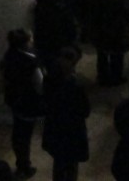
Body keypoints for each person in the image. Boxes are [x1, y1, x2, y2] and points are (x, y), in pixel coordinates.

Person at [41, 46, 90, 181]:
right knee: (71, 165)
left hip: (54, 127)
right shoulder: (76, 86)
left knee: (58, 163)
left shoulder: (48, 80)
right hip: (73, 130)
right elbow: (85, 111)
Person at [2, 28, 44, 179]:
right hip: (28, 104)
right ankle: (24, 166)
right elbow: (40, 86)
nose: (32, 41)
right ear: (25, 43)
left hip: (15, 101)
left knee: (18, 134)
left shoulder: (9, 56)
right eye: (30, 39)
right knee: (24, 136)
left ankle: (22, 164)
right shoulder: (31, 62)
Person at [88, 0, 129, 86]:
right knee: (117, 55)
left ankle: (103, 77)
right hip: (117, 30)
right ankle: (116, 77)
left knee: (102, 55)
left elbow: (91, 13)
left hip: (101, 29)